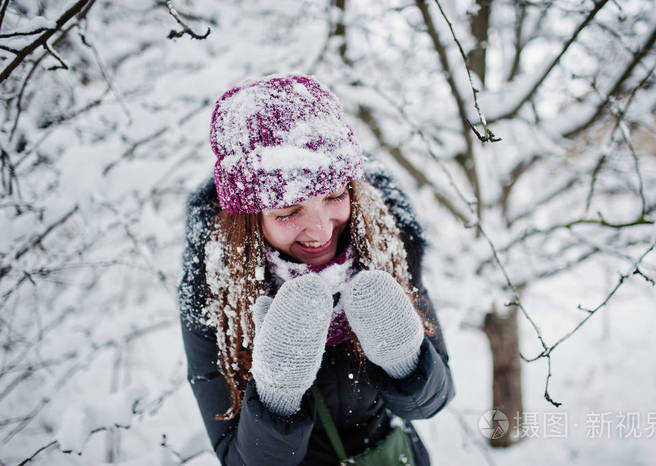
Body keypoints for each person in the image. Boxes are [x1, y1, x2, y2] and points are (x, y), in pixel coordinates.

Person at [178, 74, 455, 465]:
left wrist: (405, 358)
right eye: (289, 212)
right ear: (249, 222)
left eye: (335, 195)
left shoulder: (385, 247)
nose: (322, 230)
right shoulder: (215, 293)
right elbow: (239, 459)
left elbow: (434, 403)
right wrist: (277, 394)